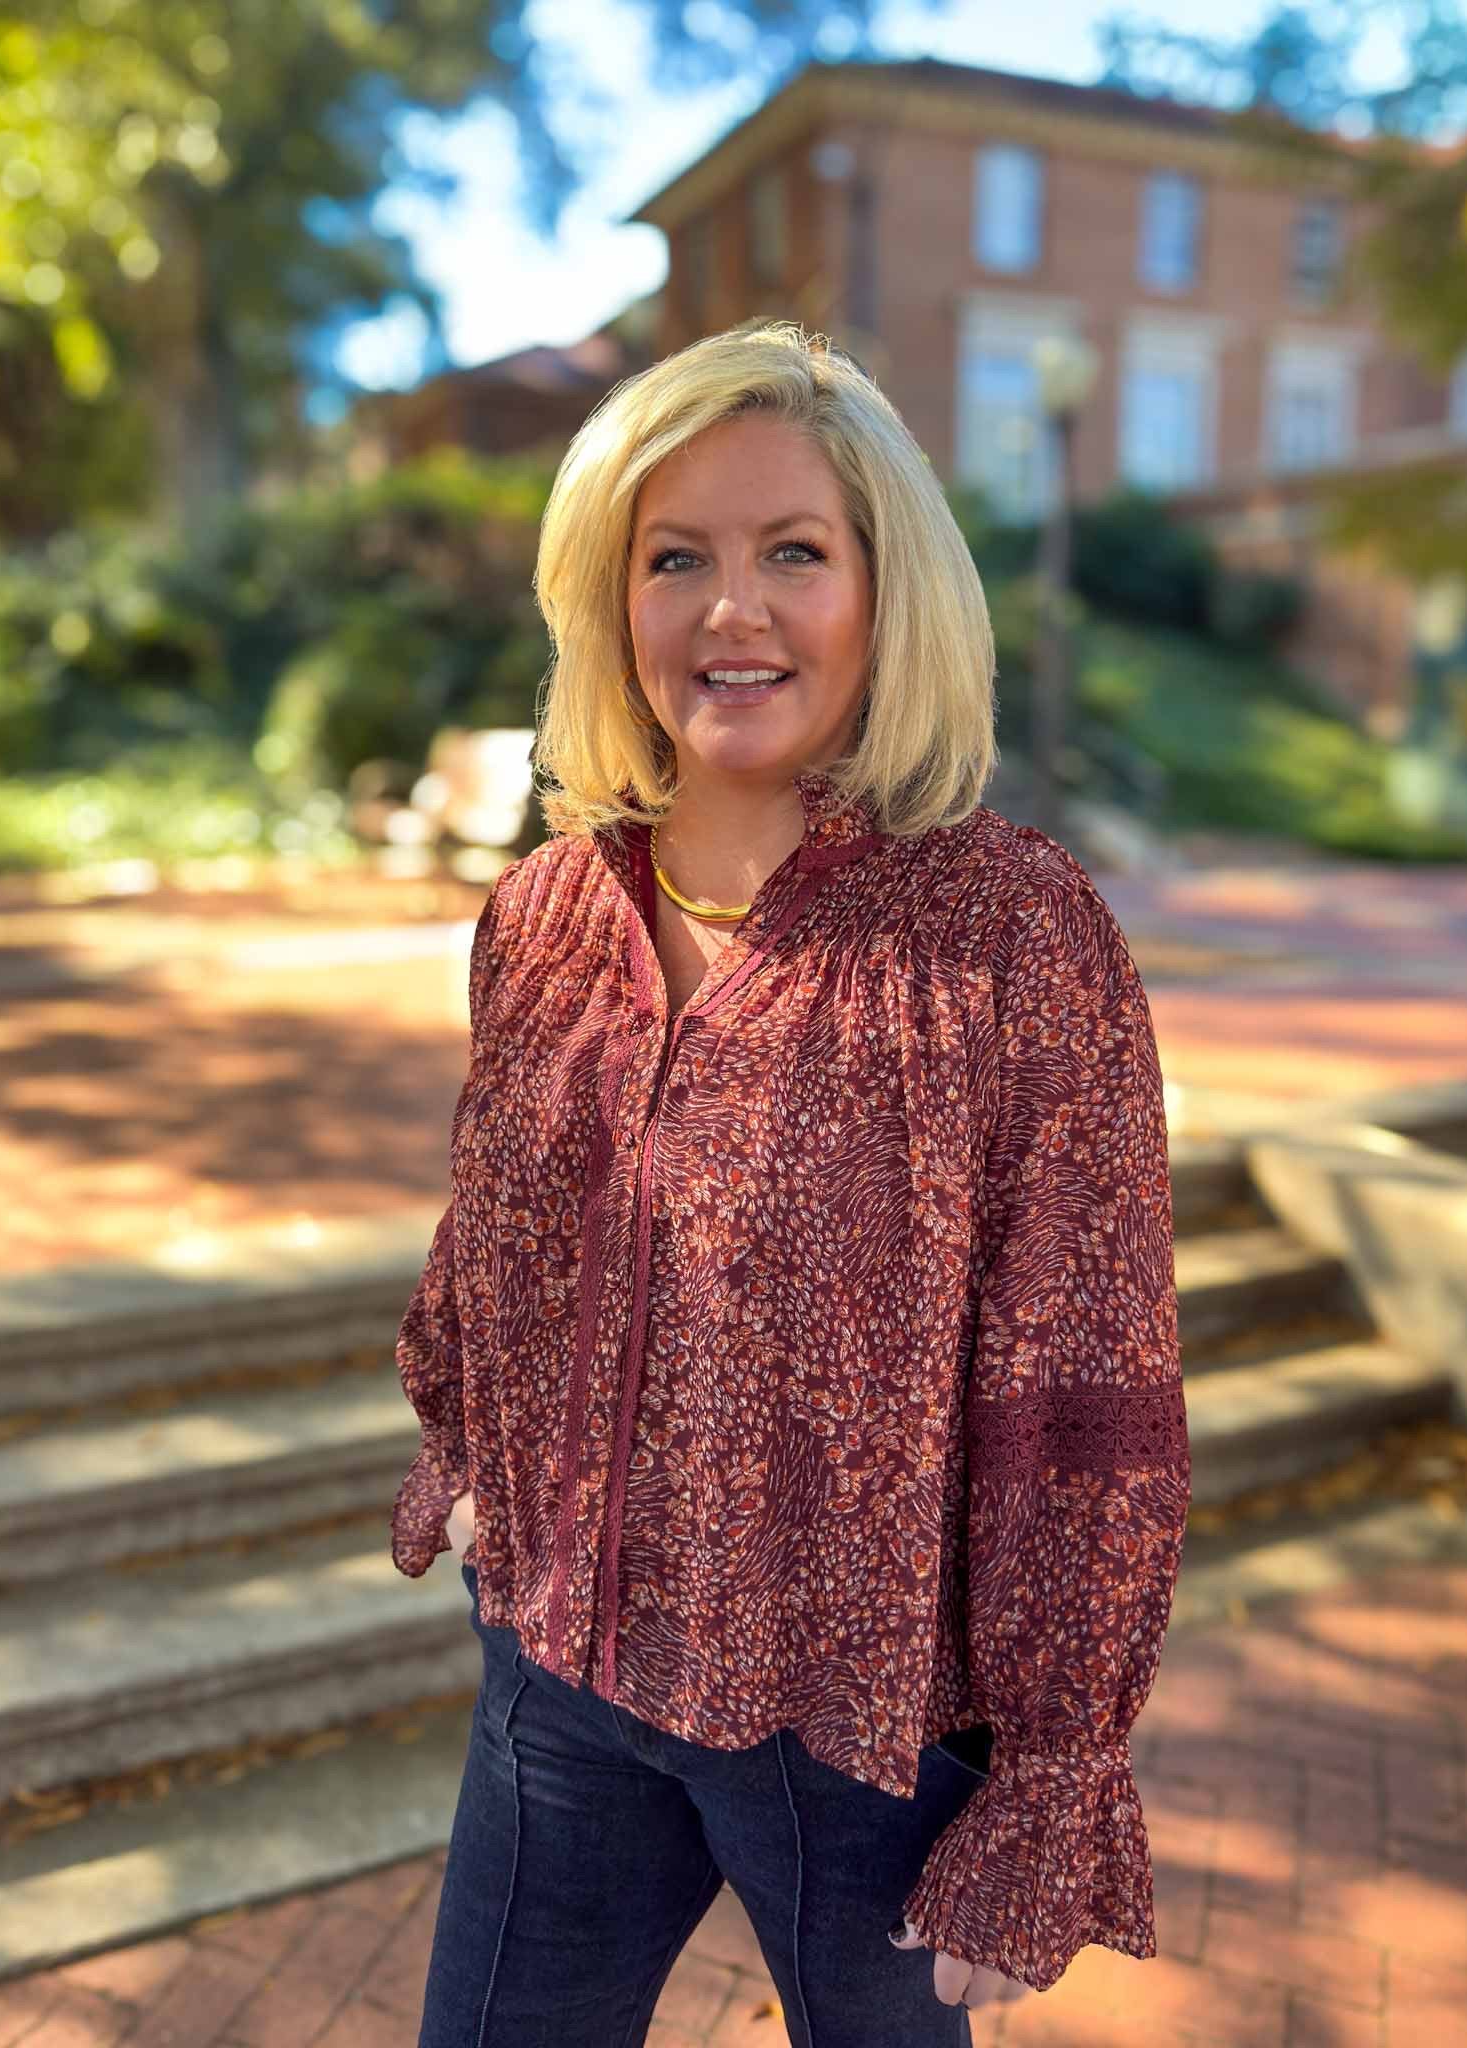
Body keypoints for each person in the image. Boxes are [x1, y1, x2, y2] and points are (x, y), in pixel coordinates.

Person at [391, 318, 1192, 2048]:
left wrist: (1051, 1770)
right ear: (611, 601)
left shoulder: (1009, 933)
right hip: (557, 1678)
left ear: (885, 593)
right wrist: (464, 1448)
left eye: (794, 554)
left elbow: (1081, 1379)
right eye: (674, 557)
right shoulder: (542, 917)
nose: (729, 611)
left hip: (853, 1732)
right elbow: (491, 1241)